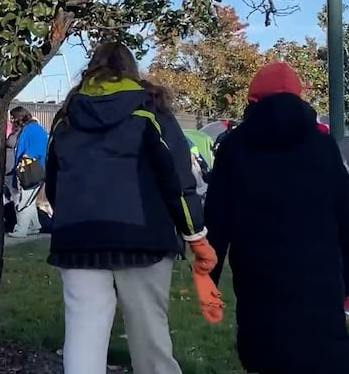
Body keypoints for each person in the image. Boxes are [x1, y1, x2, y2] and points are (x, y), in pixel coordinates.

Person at [44, 41, 220, 374]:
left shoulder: (67, 115)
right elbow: (178, 179)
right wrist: (195, 235)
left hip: (78, 238)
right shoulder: (151, 110)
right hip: (142, 236)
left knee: (83, 335)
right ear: (131, 70)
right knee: (149, 337)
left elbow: (54, 183)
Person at [205, 62, 349, 374]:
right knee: (325, 352)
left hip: (258, 273)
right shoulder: (323, 146)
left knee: (265, 351)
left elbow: (218, 219)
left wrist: (208, 279)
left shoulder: (234, 147)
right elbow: (347, 217)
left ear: (252, 99)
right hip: (318, 272)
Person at [13, 108, 48, 186]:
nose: (11, 121)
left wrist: (28, 154)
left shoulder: (34, 128)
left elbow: (41, 145)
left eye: (13, 118)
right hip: (26, 171)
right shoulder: (28, 129)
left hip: (31, 173)